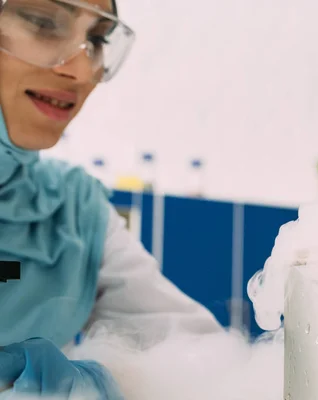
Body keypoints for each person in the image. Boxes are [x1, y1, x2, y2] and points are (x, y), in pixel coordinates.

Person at [0, 0, 222, 397]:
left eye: (97, 40)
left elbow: (200, 356)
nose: (82, 71)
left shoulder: (73, 211)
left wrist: (104, 381)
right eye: (42, 23)